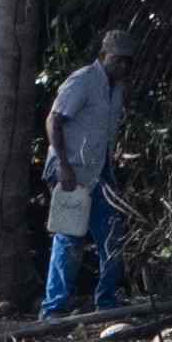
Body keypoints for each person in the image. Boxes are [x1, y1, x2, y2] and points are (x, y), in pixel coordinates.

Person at [38, 26, 132, 319]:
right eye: (118, 59)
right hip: (71, 171)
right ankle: (53, 309)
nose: (123, 65)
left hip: (100, 173)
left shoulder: (117, 89)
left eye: (128, 60)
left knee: (113, 237)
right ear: (105, 55)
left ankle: (106, 303)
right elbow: (53, 120)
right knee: (69, 238)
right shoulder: (83, 80)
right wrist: (64, 167)